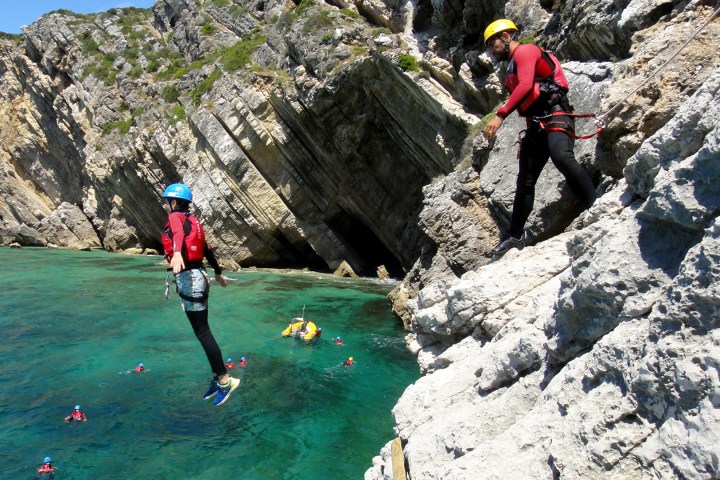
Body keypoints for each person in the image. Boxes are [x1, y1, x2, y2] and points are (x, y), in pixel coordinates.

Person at [482, 19, 596, 255]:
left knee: (561, 156)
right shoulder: (512, 65)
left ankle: (596, 206)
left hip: (557, 115)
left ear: (505, 37)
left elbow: (525, 86)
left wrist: (500, 115)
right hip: (537, 125)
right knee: (525, 181)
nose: (491, 51)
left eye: (492, 44)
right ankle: (514, 237)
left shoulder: (526, 51)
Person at [161, 183, 240, 406]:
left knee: (203, 333)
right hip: (200, 276)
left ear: (174, 203)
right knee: (202, 331)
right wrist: (218, 273)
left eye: (167, 202)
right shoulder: (193, 222)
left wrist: (176, 253)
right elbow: (206, 249)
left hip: (191, 279)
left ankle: (225, 381)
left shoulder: (177, 217)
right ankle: (219, 378)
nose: (166, 206)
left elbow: (175, 233)